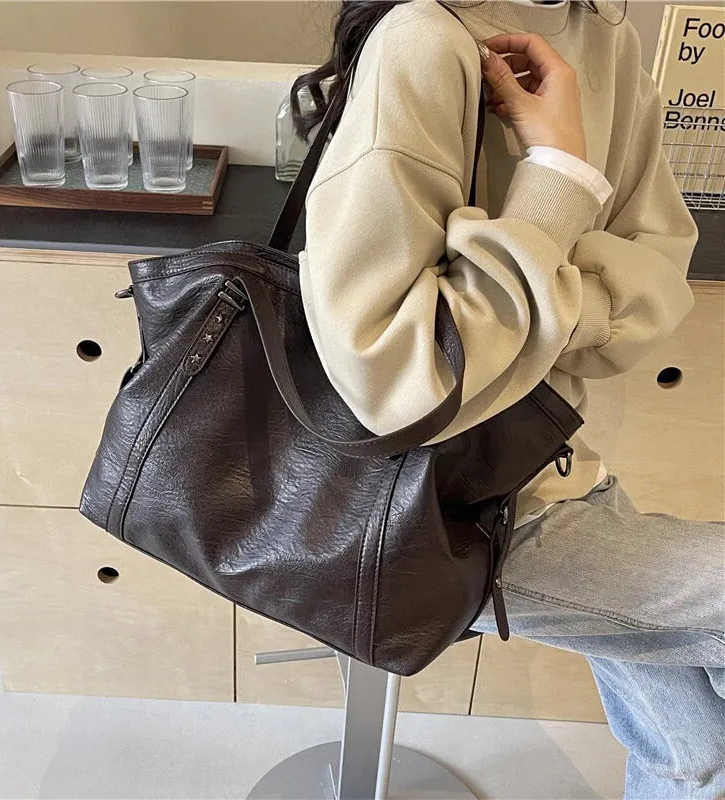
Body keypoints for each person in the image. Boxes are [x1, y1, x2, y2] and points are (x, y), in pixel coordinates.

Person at [293, 0, 725, 797]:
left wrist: (542, 306)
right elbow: (402, 381)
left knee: (693, 748)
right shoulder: (424, 38)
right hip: (437, 512)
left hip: (555, 461)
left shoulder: (607, 35)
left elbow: (659, 276)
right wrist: (557, 177)